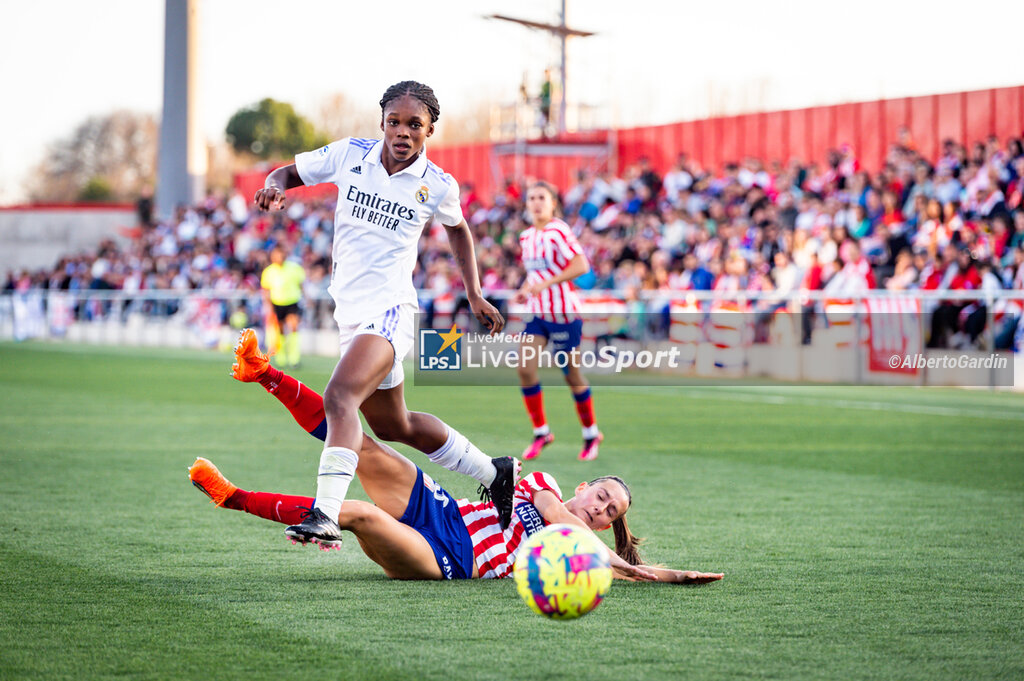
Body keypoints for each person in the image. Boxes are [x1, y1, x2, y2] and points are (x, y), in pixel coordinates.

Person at [252, 81, 510, 549]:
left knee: (339, 397)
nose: (403, 132)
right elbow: (286, 173)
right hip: (350, 313)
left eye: (416, 125)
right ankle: (496, 472)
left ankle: (325, 513)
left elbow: (460, 232)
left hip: (391, 310)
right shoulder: (351, 154)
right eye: (395, 121)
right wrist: (272, 188)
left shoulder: (438, 184)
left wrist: (474, 292)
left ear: (430, 130)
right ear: (382, 123)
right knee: (395, 425)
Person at [187, 386, 723, 584]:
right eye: (603, 496)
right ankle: (266, 374)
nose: (602, 510)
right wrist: (636, 569)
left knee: (357, 514)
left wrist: (668, 575)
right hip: (441, 509)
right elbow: (558, 520)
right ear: (583, 487)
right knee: (368, 447)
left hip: (447, 556)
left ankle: (231, 497)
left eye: (611, 512)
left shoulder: (582, 556)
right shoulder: (546, 485)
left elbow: (599, 561)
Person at [513, 182, 601, 462]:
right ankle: (541, 432)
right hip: (539, 314)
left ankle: (591, 434)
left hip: (564, 315)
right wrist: (527, 288)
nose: (536, 203)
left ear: (553, 203)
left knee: (571, 375)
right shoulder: (527, 236)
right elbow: (536, 273)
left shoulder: (558, 230)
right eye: (532, 198)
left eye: (542, 198)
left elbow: (580, 265)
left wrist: (547, 284)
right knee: (525, 368)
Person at [260, 245, 305, 367]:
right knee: (280, 331)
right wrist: (268, 306)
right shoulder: (268, 271)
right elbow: (266, 291)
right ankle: (281, 358)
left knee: (294, 327)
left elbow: (301, 285)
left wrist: (305, 298)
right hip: (277, 303)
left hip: (292, 302)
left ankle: (294, 358)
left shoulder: (294, 268)